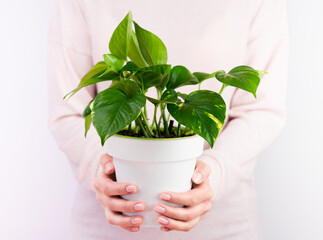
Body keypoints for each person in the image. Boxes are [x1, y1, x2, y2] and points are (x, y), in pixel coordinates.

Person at [48, 0, 289, 239]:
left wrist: (211, 175)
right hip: (105, 228)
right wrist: (104, 172)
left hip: (223, 227)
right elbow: (68, 113)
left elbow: (261, 111)